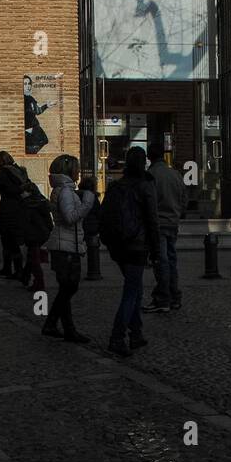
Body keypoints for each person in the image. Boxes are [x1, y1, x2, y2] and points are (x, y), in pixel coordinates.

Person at [99, 147, 160, 357]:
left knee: (135, 288)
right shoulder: (146, 186)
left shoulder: (116, 186)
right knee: (131, 291)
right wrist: (156, 250)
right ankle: (118, 336)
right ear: (143, 163)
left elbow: (104, 214)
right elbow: (152, 220)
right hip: (137, 245)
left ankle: (136, 333)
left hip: (118, 245)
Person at [42, 154, 94, 343]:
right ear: (69, 171)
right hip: (65, 246)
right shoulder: (65, 191)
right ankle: (56, 325)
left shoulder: (62, 189)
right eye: (77, 169)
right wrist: (87, 203)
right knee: (69, 287)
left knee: (67, 288)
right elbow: (70, 217)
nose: (79, 173)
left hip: (65, 244)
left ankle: (62, 327)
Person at [143, 143, 186, 313]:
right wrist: (177, 214)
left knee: (161, 262)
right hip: (172, 222)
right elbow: (184, 198)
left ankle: (163, 298)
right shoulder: (174, 174)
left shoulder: (151, 176)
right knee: (171, 260)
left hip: (157, 224)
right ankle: (174, 296)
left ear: (149, 157)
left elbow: (146, 202)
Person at [0, 151, 28, 278]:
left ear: (1, 162)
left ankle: (15, 270)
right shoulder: (19, 171)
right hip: (19, 210)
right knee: (12, 242)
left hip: (8, 211)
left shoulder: (3, 174)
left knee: (8, 241)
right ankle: (12, 269)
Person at [20, 178, 54, 291]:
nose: (21, 194)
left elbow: (25, 222)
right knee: (32, 258)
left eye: (23, 192)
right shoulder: (42, 202)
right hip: (42, 234)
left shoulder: (27, 204)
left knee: (34, 261)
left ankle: (39, 284)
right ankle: (29, 278)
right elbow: (49, 221)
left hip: (33, 235)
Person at [23, 76, 50, 155]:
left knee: (44, 140)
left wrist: (47, 105)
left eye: (29, 83)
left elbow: (37, 111)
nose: (28, 86)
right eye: (25, 84)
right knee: (30, 148)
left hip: (35, 128)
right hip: (28, 130)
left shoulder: (30, 98)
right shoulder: (22, 99)